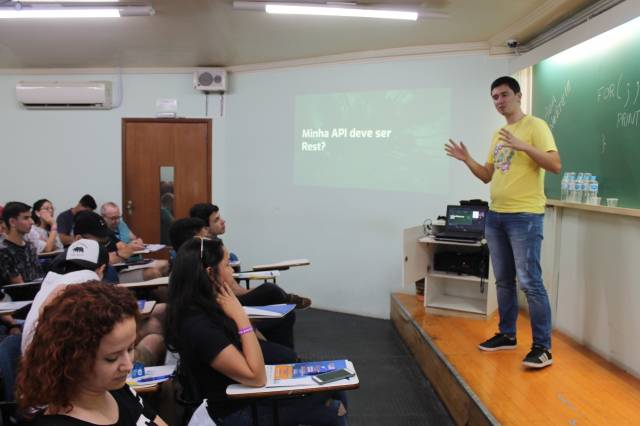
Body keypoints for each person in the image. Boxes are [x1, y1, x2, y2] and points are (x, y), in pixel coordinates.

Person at [165, 237, 347, 425]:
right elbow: (256, 377)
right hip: (237, 411)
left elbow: (255, 350)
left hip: (250, 397)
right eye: (227, 265)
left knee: (336, 386)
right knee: (332, 410)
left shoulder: (209, 306)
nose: (232, 271)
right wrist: (241, 318)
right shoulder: (198, 326)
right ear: (210, 274)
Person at [445, 76, 561, 369]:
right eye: (494, 97)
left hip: (525, 216)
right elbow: (486, 174)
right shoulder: (499, 134)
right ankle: (507, 335)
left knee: (530, 282)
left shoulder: (536, 126)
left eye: (504, 95)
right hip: (496, 216)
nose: (499, 101)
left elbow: (555, 165)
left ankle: (543, 347)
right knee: (504, 281)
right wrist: (466, 159)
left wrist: (524, 146)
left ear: (518, 95)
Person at [15, 283, 168, 425]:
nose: (128, 366)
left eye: (130, 348)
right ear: (74, 359)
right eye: (111, 359)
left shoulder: (117, 389)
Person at [0, 201, 43, 285]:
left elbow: (39, 276)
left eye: (30, 217)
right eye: (26, 218)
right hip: (20, 296)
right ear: (12, 222)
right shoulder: (3, 251)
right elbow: (19, 286)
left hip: (37, 291)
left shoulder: (30, 246)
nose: (32, 222)